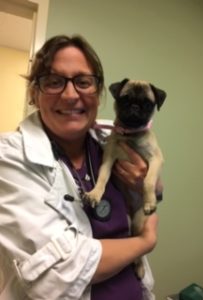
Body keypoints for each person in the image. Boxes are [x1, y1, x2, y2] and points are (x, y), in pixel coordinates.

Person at [0, 35, 162, 300]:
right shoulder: (8, 158)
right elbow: (58, 273)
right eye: (54, 82)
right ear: (33, 94)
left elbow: (152, 189)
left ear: (98, 94)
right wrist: (144, 242)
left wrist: (153, 187)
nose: (70, 94)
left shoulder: (110, 139)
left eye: (83, 82)